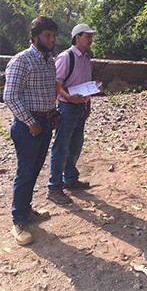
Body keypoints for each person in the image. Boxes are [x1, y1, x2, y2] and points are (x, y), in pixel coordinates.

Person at [3, 17, 59, 245]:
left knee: (35, 170)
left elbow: (48, 91)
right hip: (28, 127)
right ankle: (18, 221)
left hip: (45, 123)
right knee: (25, 172)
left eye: (53, 36)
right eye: (47, 35)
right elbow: (10, 96)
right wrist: (30, 121)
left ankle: (26, 210)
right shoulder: (21, 61)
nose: (52, 39)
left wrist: (54, 114)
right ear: (35, 37)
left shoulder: (49, 61)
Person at [47, 23, 98, 205]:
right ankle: (54, 187)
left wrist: (88, 104)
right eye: (87, 36)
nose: (90, 39)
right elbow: (55, 83)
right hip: (67, 107)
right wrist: (69, 97)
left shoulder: (85, 58)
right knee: (61, 147)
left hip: (80, 108)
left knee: (75, 145)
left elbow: (86, 83)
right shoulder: (66, 57)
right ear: (78, 37)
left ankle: (69, 178)